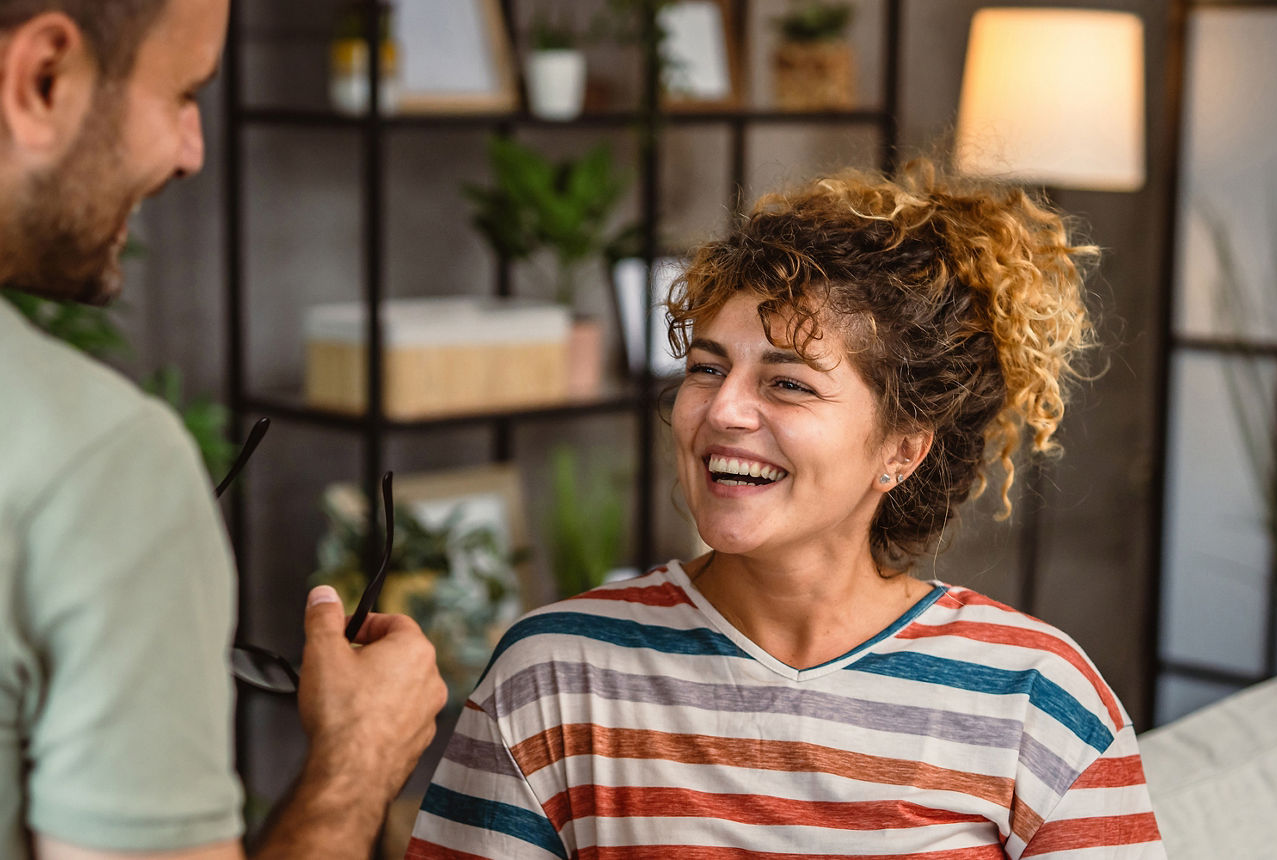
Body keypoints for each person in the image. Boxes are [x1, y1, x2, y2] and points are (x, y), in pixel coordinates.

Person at [404, 162, 1165, 858]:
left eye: (788, 383)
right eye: (707, 368)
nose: (722, 411)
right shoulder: (552, 674)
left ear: (901, 450)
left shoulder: (1038, 698)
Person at [0, 1, 447, 858]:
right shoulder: (98, 466)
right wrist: (361, 758)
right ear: (43, 78)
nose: (192, 150)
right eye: (180, 94)